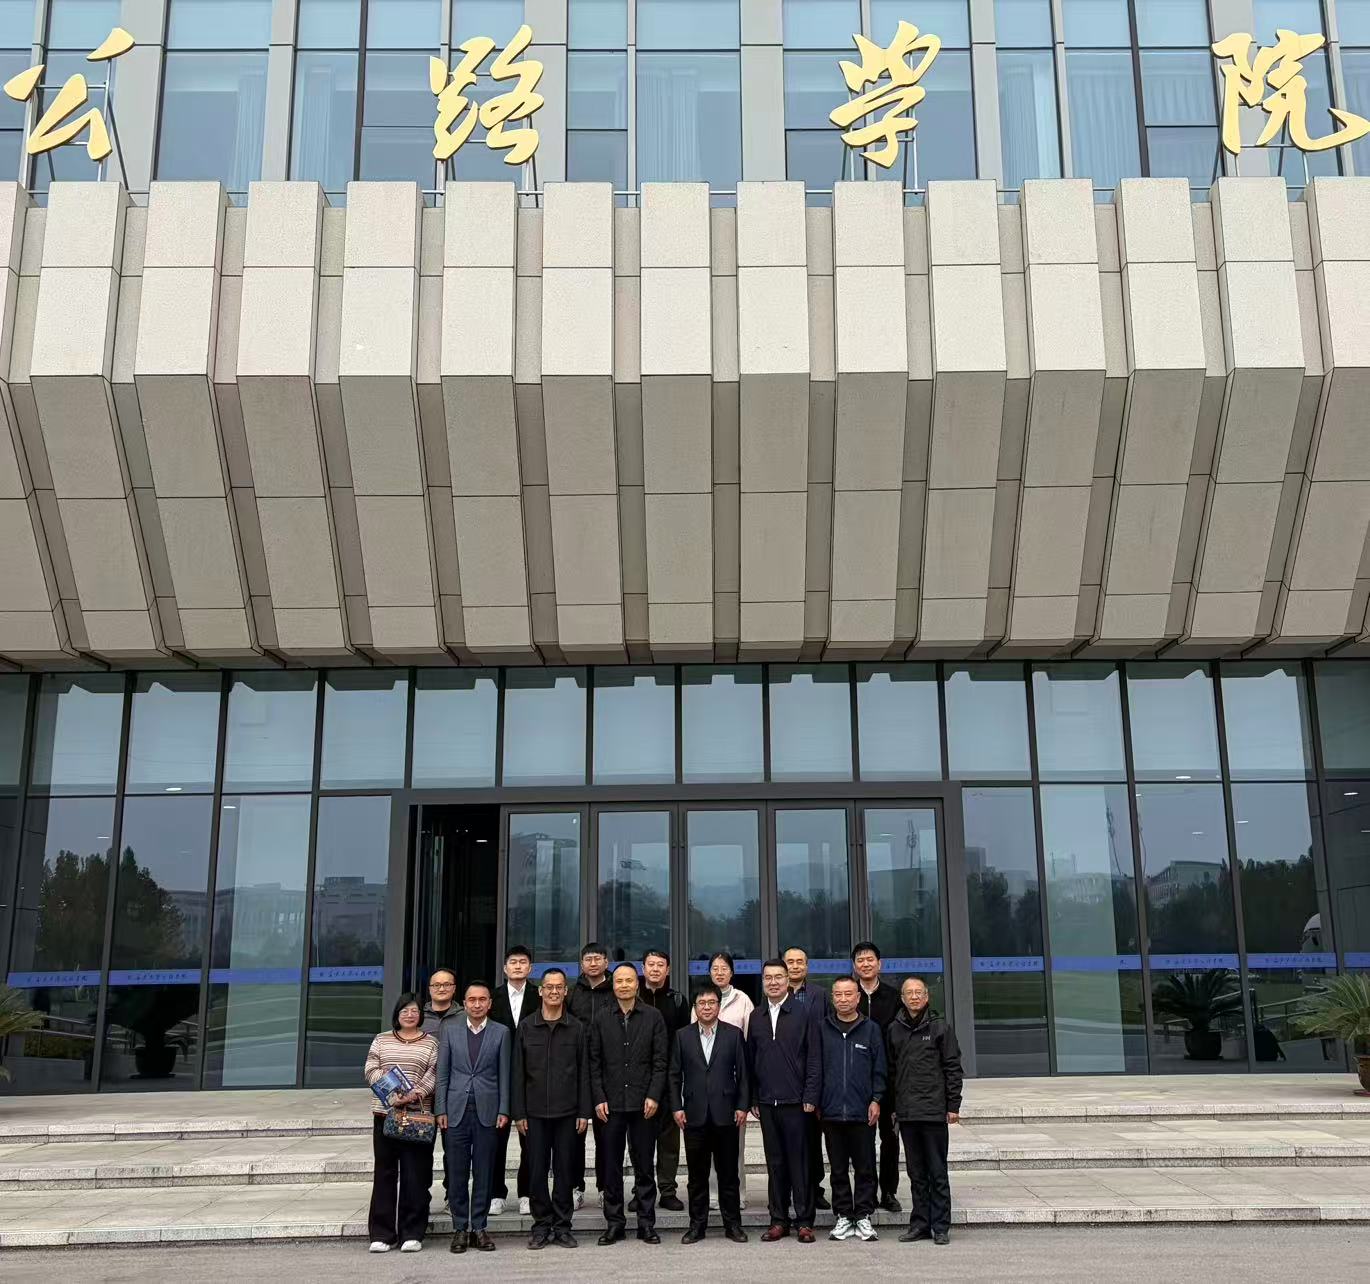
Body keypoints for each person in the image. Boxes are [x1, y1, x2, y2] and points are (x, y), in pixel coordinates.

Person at [511, 967, 591, 1250]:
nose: (554, 991)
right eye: (549, 987)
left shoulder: (577, 1028)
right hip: (533, 1115)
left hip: (568, 1113)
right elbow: (517, 1073)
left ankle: (562, 1226)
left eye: (559, 987)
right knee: (536, 1171)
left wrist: (584, 1111)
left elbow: (584, 1072)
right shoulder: (526, 1027)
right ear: (541, 991)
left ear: (565, 991)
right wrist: (518, 1112)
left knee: (565, 1172)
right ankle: (541, 1225)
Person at [589, 961, 668, 1245]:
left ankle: (646, 1224)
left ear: (638, 984)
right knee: (610, 1166)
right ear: (613, 985)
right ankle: (615, 1224)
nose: (624, 985)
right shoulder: (601, 1018)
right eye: (619, 981)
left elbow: (661, 1061)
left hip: (644, 1104)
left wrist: (654, 1095)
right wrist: (598, 1097)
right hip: (610, 1106)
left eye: (629, 980)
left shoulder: (653, 1017)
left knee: (644, 1166)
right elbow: (593, 1062)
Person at [669, 981, 750, 1244]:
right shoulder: (682, 1036)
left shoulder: (733, 1034)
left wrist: (742, 1106)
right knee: (696, 1176)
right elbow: (674, 1076)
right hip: (693, 1115)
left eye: (711, 1002)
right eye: (701, 1003)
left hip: (726, 1114)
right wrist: (677, 1106)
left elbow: (744, 1075)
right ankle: (697, 1226)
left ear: (718, 1006)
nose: (706, 1007)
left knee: (729, 1175)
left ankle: (733, 1225)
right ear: (695, 1007)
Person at [746, 959, 821, 1244]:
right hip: (767, 1102)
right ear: (763, 982)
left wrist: (811, 1095)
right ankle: (778, 1219)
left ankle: (804, 1221)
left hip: (797, 1103)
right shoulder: (757, 1016)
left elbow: (814, 1057)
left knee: (800, 1163)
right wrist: (754, 1097)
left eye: (779, 977)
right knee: (775, 1163)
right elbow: (751, 1060)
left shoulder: (803, 1013)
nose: (773, 982)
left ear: (788, 980)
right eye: (768, 977)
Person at [885, 976, 963, 1246]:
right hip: (907, 1113)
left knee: (937, 1172)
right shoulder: (894, 1029)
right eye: (909, 993)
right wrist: (893, 1107)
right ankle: (919, 1223)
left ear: (927, 997)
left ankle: (940, 1226)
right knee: (916, 1173)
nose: (914, 997)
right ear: (902, 998)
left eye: (919, 992)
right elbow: (891, 1072)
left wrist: (953, 1105)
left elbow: (953, 1067)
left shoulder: (940, 1027)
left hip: (933, 1110)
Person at [435, 980, 511, 1254]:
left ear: (489, 1003)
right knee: (456, 1172)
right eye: (472, 1000)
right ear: (464, 1003)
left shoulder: (501, 1032)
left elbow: (505, 1074)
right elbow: (442, 1073)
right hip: (455, 1111)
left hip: (488, 1112)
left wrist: (504, 1109)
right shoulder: (450, 1030)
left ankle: (479, 1226)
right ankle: (460, 1228)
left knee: (484, 1171)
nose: (477, 1004)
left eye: (482, 1000)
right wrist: (440, 1109)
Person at [364, 992, 438, 1254]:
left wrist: (415, 1093)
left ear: (421, 1015)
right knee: (385, 1174)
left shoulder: (431, 1043)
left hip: (417, 1117)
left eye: (414, 1010)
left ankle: (412, 1233)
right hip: (385, 1115)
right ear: (397, 1014)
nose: (409, 1014)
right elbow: (371, 1069)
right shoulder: (381, 1039)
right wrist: (392, 1092)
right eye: (404, 1010)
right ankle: (382, 1234)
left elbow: (433, 1073)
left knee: (415, 1175)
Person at [817, 976, 887, 1243]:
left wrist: (876, 1099)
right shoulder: (822, 1028)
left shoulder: (871, 1029)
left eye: (849, 994)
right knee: (837, 1168)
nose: (843, 999)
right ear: (832, 998)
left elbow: (880, 1068)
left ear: (858, 997)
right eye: (838, 994)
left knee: (865, 1166)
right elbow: (816, 1068)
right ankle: (844, 1215)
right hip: (831, 1111)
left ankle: (864, 1215)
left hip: (862, 1111)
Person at [694, 951, 754, 1209]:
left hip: (731, 1085)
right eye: (715, 968)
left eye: (724, 968)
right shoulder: (700, 1000)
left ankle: (737, 1194)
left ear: (732, 972)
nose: (719, 972)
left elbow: (749, 1040)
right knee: (707, 1147)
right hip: (704, 1086)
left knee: (734, 1147)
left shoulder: (743, 1000)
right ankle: (712, 1195)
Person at [852, 940, 903, 1213]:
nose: (866, 964)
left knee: (890, 1138)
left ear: (879, 964)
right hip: (859, 1080)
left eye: (870, 959)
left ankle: (889, 1191)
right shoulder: (850, 995)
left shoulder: (893, 997)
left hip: (890, 1079)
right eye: (860, 960)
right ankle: (867, 1192)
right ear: (854, 966)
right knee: (863, 1141)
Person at [638, 947, 688, 1213]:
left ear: (667, 970)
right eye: (651, 964)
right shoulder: (633, 997)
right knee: (641, 1140)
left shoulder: (677, 1001)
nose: (655, 969)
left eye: (660, 965)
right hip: (638, 1079)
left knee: (669, 1140)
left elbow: (683, 1042)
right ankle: (641, 1190)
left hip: (670, 1078)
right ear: (643, 968)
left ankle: (668, 1190)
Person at [489, 945, 538, 1217]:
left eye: (523, 962)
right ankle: (496, 1193)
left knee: (529, 1141)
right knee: (496, 1140)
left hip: (532, 1077)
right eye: (513, 962)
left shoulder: (539, 995)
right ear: (505, 968)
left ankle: (526, 1193)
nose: (518, 966)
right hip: (497, 1077)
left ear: (530, 968)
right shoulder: (491, 998)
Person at [784, 945, 831, 1212]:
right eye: (790, 962)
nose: (795, 966)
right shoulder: (775, 994)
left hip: (813, 1072)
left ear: (807, 966)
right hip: (784, 1075)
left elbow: (828, 1029)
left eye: (799, 961)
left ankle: (815, 1188)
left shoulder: (820, 995)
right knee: (789, 1140)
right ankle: (790, 1189)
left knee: (813, 1139)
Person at [568, 941, 613, 1208]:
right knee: (575, 1133)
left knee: (606, 1135)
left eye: (598, 958)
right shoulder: (572, 993)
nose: (593, 963)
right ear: (582, 964)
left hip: (608, 1071)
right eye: (588, 959)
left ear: (606, 962)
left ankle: (606, 1187)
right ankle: (576, 1187)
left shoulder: (616, 991)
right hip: (575, 1070)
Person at [422, 966, 461, 1198]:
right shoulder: (418, 1017)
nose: (441, 989)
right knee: (421, 1150)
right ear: (429, 989)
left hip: (454, 1094)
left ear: (454, 988)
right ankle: (421, 1199)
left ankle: (452, 1197)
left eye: (447, 984)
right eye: (436, 985)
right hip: (423, 1097)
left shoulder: (464, 1017)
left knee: (454, 1150)